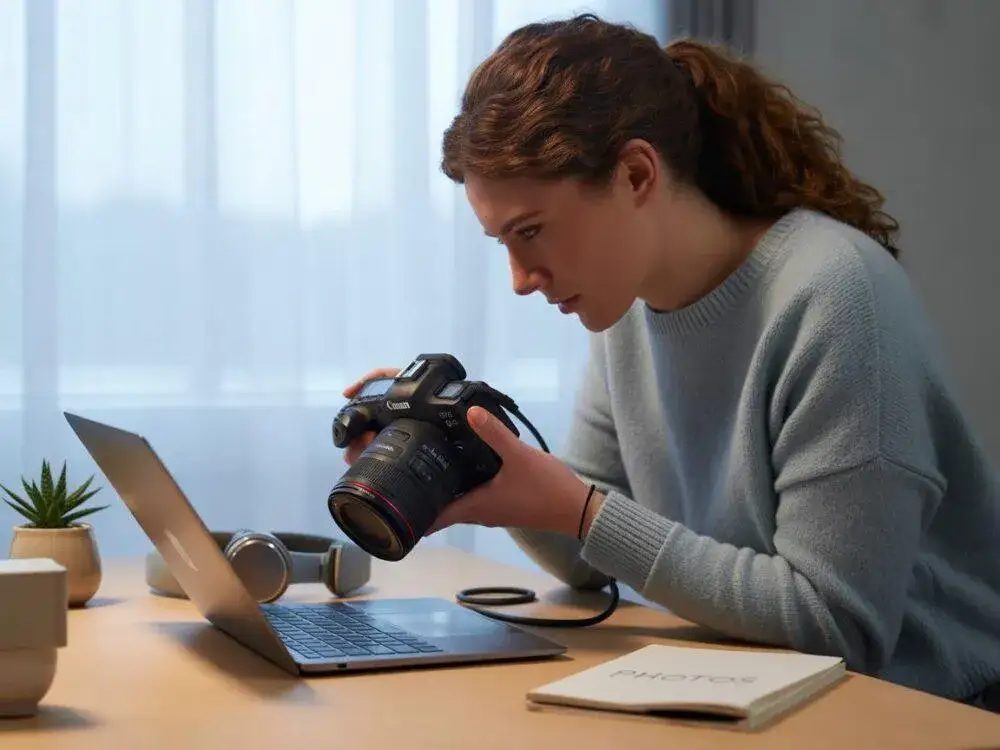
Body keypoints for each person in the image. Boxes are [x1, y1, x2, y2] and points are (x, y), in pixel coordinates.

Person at [339, 14, 1000, 710]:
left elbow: (837, 623)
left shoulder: (837, 297)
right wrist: (477, 467)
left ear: (635, 173)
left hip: (930, 709)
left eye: (530, 231)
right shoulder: (624, 309)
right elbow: (589, 546)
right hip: (765, 695)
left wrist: (583, 510)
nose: (520, 277)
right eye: (502, 240)